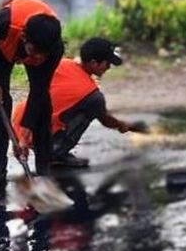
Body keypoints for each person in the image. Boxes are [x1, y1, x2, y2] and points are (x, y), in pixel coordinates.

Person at [0, 0, 64, 192]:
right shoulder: (2, 25)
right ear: (24, 37)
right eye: (34, 51)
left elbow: (38, 91)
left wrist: (24, 135)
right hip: (0, 49)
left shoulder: (53, 49)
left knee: (43, 107)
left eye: (43, 54)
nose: (38, 57)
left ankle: (44, 172)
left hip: (32, 47)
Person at [11, 37, 141, 168]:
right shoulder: (91, 94)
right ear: (94, 63)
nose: (108, 68)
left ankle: (49, 149)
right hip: (37, 134)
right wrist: (124, 125)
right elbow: (106, 120)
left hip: (20, 123)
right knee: (92, 107)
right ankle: (55, 152)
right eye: (107, 64)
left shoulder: (63, 63)